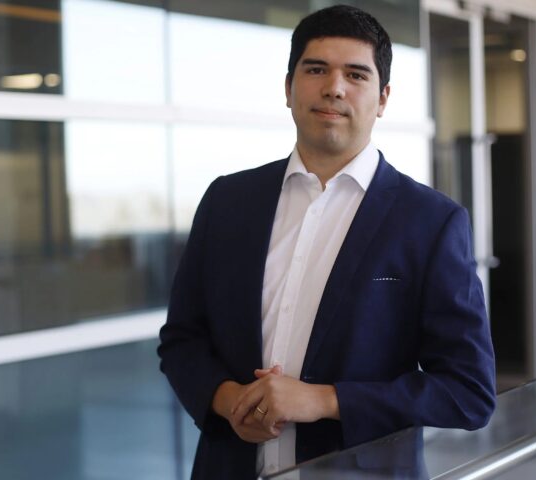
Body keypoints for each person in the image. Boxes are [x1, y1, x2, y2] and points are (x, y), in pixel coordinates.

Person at [157, 5, 495, 479]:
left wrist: (324, 400)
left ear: (383, 98)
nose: (334, 87)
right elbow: (182, 340)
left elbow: (468, 391)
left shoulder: (431, 222)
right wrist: (228, 400)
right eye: (316, 70)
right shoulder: (227, 201)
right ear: (288, 88)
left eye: (356, 74)